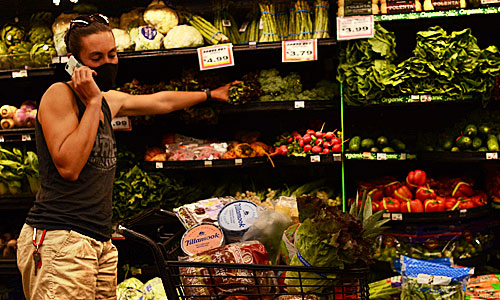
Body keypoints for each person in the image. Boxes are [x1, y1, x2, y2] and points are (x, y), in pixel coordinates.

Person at [16, 14, 231, 300]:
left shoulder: (108, 101)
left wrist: (209, 94)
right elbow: (69, 166)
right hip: (61, 238)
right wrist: (93, 102)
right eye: (96, 57)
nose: (108, 63)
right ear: (74, 63)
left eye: (113, 54)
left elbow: (160, 101)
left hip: (99, 241)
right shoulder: (60, 96)